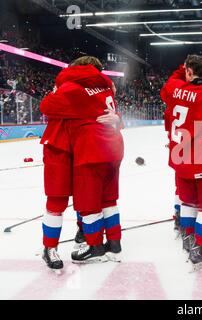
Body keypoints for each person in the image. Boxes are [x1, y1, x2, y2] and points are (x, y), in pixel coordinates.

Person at [40, 56, 124, 270]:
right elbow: (47, 106)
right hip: (60, 149)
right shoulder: (71, 89)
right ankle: (50, 247)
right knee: (57, 202)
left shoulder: (79, 89)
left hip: (81, 149)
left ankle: (86, 234)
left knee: (86, 196)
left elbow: (99, 113)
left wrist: (117, 119)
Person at [160, 54, 202, 269]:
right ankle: (199, 247)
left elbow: (173, 80)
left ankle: (188, 240)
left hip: (180, 160)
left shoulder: (173, 89)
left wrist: (184, 67)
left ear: (188, 72)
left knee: (188, 203)